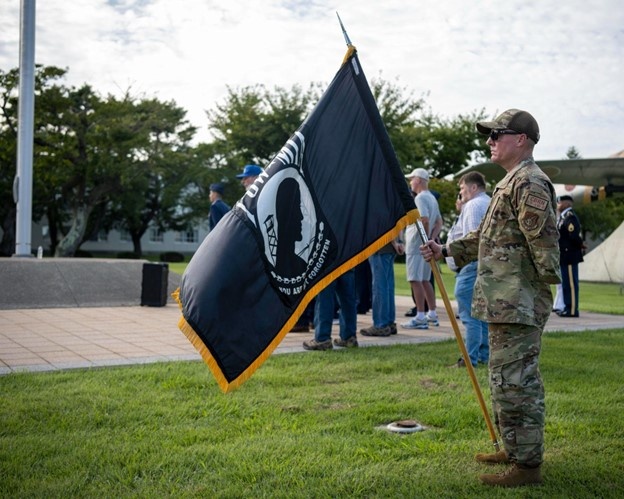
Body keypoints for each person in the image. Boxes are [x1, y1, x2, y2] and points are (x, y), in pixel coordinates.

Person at [420, 109, 560, 488]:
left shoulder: (529, 182)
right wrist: (445, 249)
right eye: (490, 135)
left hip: (517, 301)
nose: (490, 141)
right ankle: (513, 449)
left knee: (518, 383)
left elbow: (545, 247)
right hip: (503, 300)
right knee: (503, 379)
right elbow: (488, 236)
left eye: (498, 134)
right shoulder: (510, 183)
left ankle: (527, 465)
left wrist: (536, 296)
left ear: (522, 140)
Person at [445, 172, 491, 368]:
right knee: (480, 315)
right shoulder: (486, 202)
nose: (460, 194)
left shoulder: (473, 205)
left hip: (471, 265)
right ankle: (483, 356)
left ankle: (469, 359)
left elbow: (472, 241)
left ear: (473, 187)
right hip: (482, 266)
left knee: (469, 314)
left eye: (462, 189)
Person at [402, 168, 442, 330]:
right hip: (424, 245)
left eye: (412, 179)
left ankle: (419, 315)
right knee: (425, 280)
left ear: (418, 180)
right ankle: (431, 313)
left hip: (416, 245)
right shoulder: (432, 197)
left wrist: (425, 240)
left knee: (414, 279)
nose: (410, 182)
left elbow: (424, 220)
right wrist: (431, 239)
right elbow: (439, 222)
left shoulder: (420, 198)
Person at [360, 238, 405, 337]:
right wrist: (399, 242)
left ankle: (380, 325)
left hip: (379, 246)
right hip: (389, 248)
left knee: (379, 287)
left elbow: (382, 225)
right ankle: (389, 322)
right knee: (388, 286)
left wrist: (395, 242)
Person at [303, 270, 358, 350]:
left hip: (328, 262)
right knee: (347, 296)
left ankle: (322, 338)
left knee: (324, 296)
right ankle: (349, 337)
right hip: (346, 259)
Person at [556, 195, 584, 317]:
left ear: (566, 204)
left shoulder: (570, 217)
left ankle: (572, 310)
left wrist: (581, 245)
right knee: (566, 284)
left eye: (559, 203)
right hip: (564, 256)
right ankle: (567, 307)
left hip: (569, 255)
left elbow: (573, 236)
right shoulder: (563, 218)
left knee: (571, 284)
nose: (558, 205)